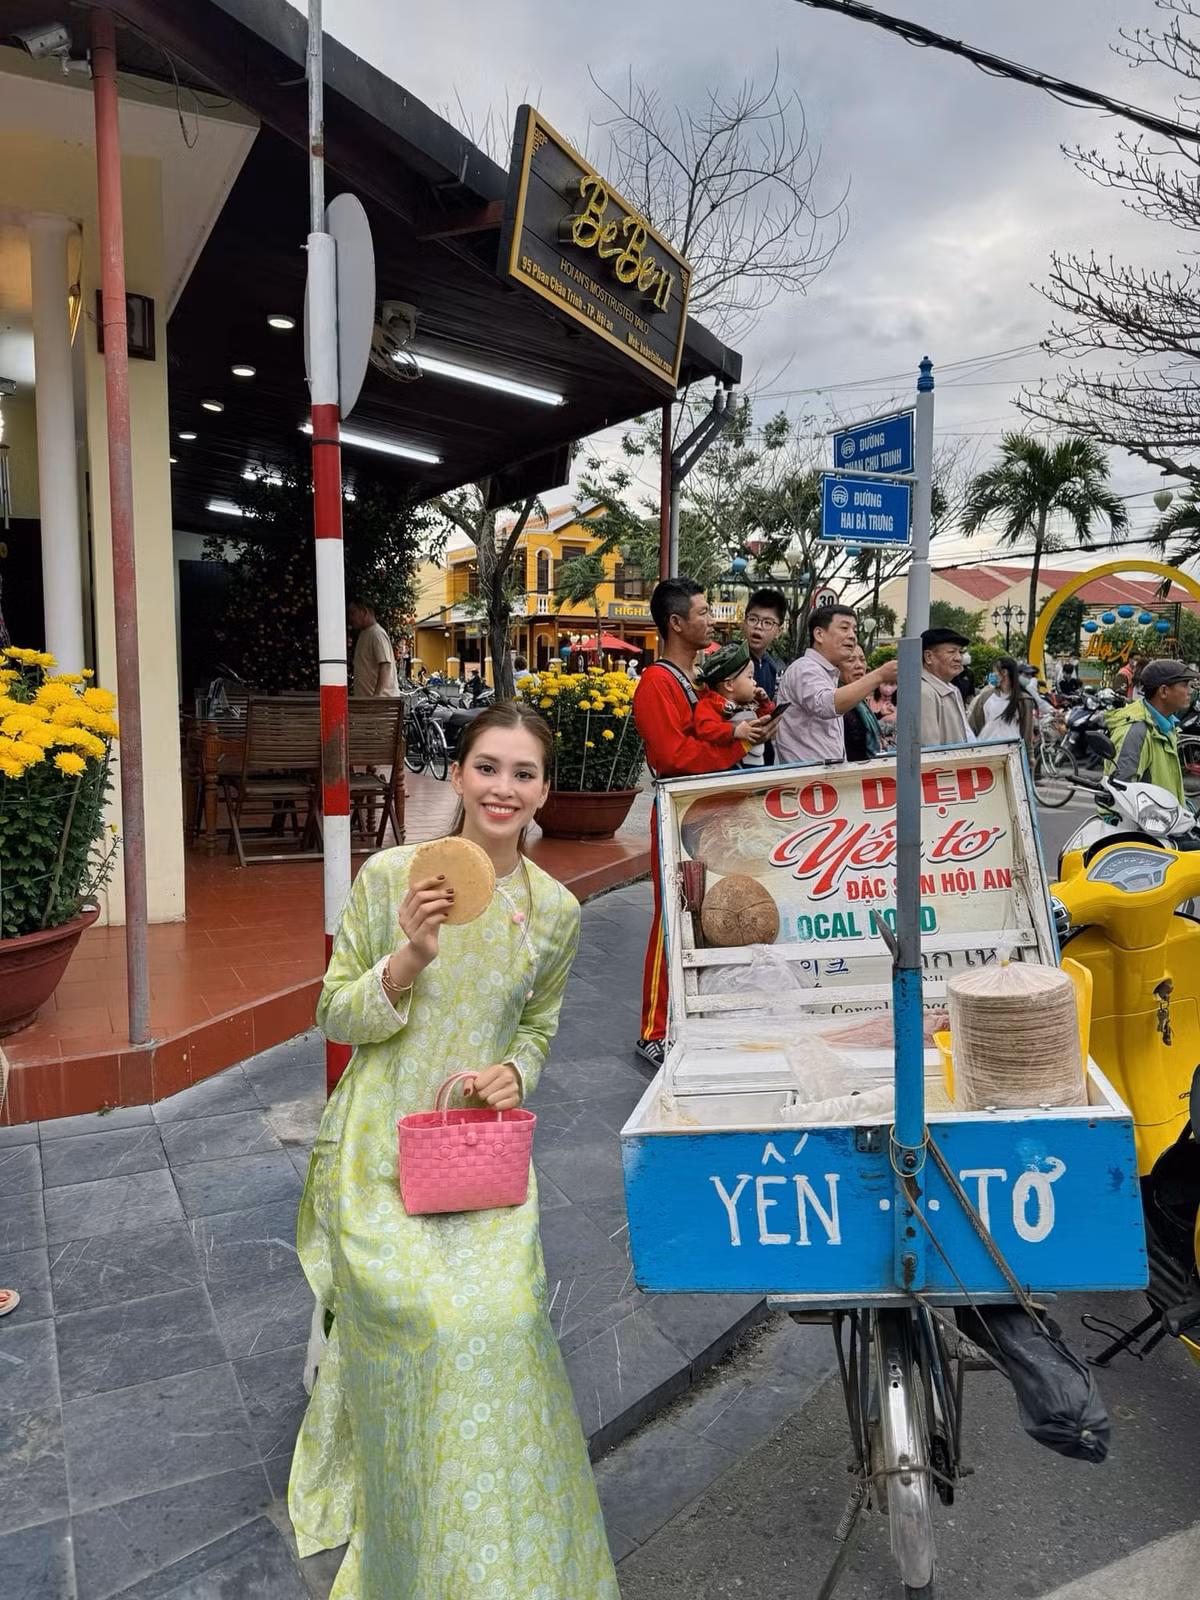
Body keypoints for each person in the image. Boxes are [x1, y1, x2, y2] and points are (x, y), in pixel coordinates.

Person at [289, 702, 619, 1598]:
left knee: (504, 1321)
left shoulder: (552, 913)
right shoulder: (390, 878)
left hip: (478, 1160)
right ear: (459, 774)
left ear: (546, 788)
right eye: (486, 767)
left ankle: (494, 1516)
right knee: (425, 1324)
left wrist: (517, 1068)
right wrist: (409, 956)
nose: (502, 789)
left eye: (523, 773)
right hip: (380, 1154)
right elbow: (335, 1016)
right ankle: (412, 1506)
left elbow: (541, 1025)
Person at [632, 578, 777, 1067]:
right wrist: (736, 740)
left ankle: (687, 1016)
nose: (710, 619)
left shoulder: (691, 679)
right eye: (701, 612)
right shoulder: (657, 682)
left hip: (705, 808)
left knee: (700, 915)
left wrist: (744, 726)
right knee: (672, 917)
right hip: (678, 808)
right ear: (676, 623)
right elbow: (672, 756)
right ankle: (653, 1029)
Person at [775, 604, 897, 765]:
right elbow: (827, 705)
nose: (852, 636)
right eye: (844, 628)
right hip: (807, 780)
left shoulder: (828, 673)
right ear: (819, 634)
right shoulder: (805, 668)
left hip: (825, 779)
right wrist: (879, 675)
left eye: (854, 630)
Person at [1105, 658, 1198, 806]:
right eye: (1185, 685)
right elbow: (1120, 794)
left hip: (1166, 823)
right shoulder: (1137, 730)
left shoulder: (1167, 725)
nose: (1190, 691)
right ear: (1163, 691)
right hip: (1145, 827)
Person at [695, 640, 776, 770]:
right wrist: (734, 731)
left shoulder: (749, 702)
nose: (754, 682)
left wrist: (765, 703)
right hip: (732, 769)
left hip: (755, 766)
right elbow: (705, 728)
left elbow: (762, 722)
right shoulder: (712, 704)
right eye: (750, 677)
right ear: (729, 685)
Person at [742, 587, 788, 762]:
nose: (759, 627)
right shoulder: (731, 658)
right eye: (753, 619)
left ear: (779, 630)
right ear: (744, 622)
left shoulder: (770, 664)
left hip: (763, 752)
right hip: (736, 753)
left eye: (768, 622)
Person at [968, 655, 1036, 756]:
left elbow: (1027, 732)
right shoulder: (985, 697)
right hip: (986, 752)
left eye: (995, 671)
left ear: (1004, 672)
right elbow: (973, 726)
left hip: (1013, 754)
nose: (992, 675)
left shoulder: (1024, 700)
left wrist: (1029, 755)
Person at [919, 626, 975, 746]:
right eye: (951, 652)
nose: (959, 658)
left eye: (960, 652)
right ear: (928, 657)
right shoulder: (924, 692)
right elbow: (930, 749)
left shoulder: (952, 689)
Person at [347, 599, 400, 698]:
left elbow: (386, 665)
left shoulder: (377, 634)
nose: (351, 617)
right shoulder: (364, 634)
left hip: (379, 704)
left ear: (364, 612)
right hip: (367, 703)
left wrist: (377, 696)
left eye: (353, 613)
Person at [841, 644, 884, 761]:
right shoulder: (838, 703)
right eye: (850, 660)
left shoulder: (861, 701)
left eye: (862, 659)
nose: (859, 666)